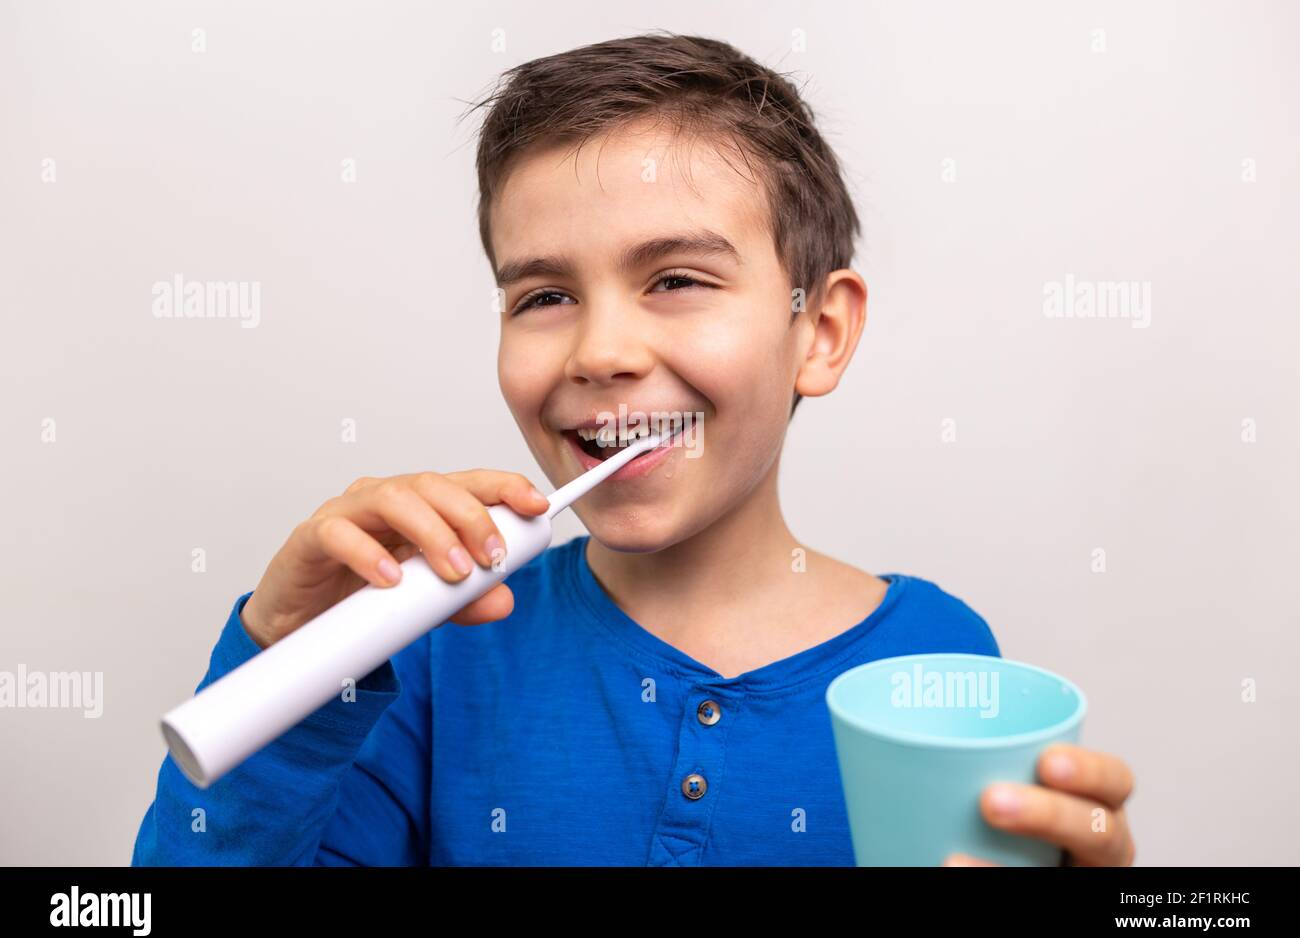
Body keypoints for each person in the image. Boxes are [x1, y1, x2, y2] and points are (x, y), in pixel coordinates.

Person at [133, 32, 1135, 866]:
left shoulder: (936, 661)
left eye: (678, 280)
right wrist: (286, 664)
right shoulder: (435, 648)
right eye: (544, 297)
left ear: (818, 332)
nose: (600, 351)